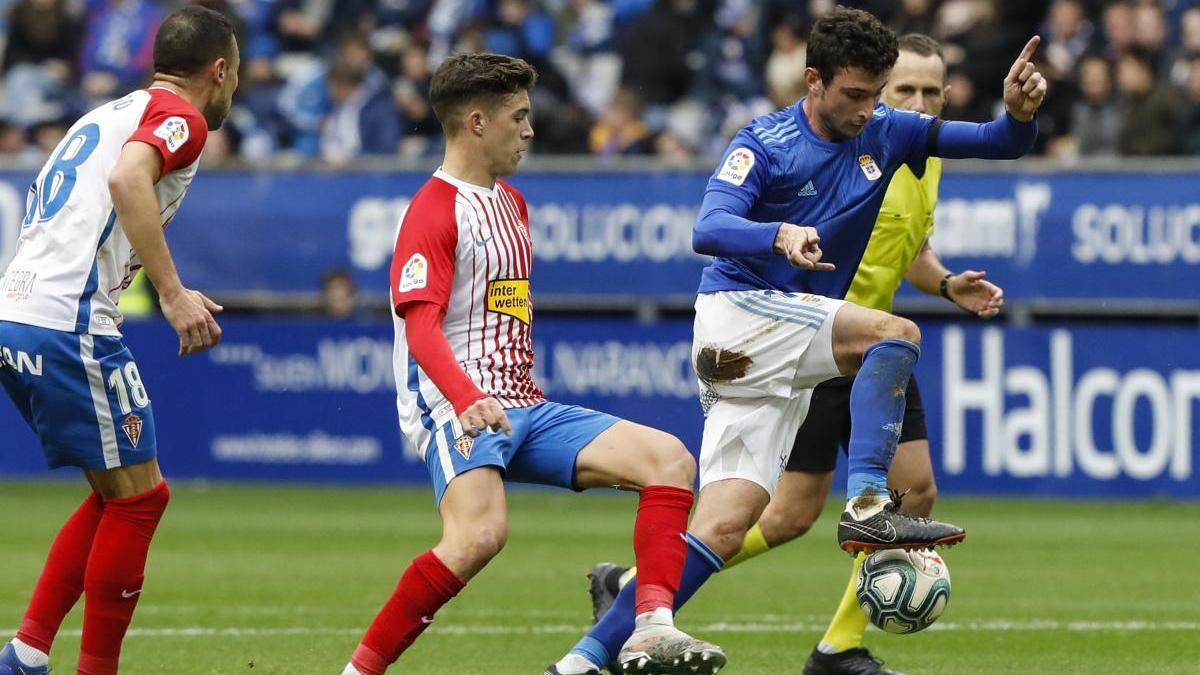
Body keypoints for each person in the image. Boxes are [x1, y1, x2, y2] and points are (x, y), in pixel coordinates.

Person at [547, 7, 1045, 675]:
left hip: (784, 352)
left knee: (728, 525)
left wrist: (1018, 113)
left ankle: (574, 665)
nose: (869, 110)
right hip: (740, 316)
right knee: (893, 334)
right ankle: (868, 502)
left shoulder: (888, 133)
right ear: (813, 80)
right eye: (855, 94)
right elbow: (709, 224)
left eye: (876, 93)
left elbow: (996, 142)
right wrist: (775, 233)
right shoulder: (767, 141)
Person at [339, 53, 723, 675]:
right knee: (478, 538)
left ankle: (651, 628)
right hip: (454, 408)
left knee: (670, 461)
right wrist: (465, 397)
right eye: (518, 117)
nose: (530, 129)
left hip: (524, 404)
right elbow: (420, 326)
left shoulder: (512, 204)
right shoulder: (433, 210)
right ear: (476, 123)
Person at [0, 7, 238, 675]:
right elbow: (128, 179)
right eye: (236, 75)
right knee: (141, 500)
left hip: (20, 309)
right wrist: (171, 291)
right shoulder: (183, 119)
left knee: (118, 491)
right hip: (64, 318)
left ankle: (25, 653)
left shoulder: (104, 113)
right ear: (218, 71)